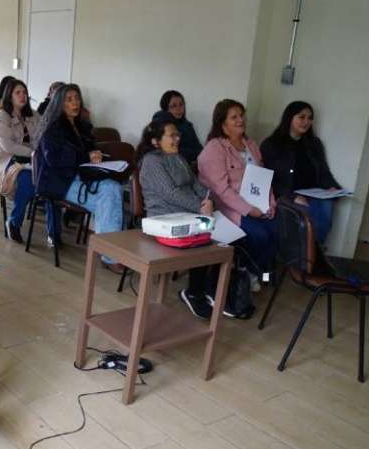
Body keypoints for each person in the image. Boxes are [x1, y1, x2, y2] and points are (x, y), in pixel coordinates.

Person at [137, 120, 228, 318]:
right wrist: (200, 207)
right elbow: (171, 193)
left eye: (177, 135)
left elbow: (196, 185)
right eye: (172, 135)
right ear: (156, 141)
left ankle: (211, 289)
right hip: (165, 218)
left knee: (228, 237)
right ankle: (194, 292)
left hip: (190, 214)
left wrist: (208, 199)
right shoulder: (152, 161)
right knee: (207, 238)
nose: (177, 138)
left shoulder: (178, 157)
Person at [34, 83, 123, 269]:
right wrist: (85, 156)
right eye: (69, 100)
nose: (75, 103)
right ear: (59, 103)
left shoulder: (83, 126)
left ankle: (109, 252)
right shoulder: (52, 128)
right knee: (108, 196)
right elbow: (54, 159)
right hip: (58, 180)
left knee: (113, 188)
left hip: (81, 176)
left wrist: (96, 155)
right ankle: (110, 256)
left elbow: (88, 151)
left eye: (77, 99)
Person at [198, 99, 277, 279]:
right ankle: (248, 274)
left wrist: (270, 203)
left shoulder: (251, 145)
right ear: (222, 123)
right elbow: (222, 191)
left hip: (258, 205)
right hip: (229, 208)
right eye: (234, 117)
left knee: (278, 230)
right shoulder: (214, 148)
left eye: (242, 116)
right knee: (261, 235)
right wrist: (250, 210)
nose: (241, 120)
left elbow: (264, 178)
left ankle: (257, 275)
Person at [261, 101, 340, 244]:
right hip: (286, 194)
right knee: (305, 216)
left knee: (326, 207)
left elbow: (323, 171)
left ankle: (314, 250)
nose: (306, 122)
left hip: (314, 193)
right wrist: (292, 196)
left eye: (310, 118)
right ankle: (306, 253)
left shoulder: (314, 144)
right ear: (290, 118)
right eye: (301, 117)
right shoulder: (272, 144)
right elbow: (267, 179)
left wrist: (332, 188)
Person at [0, 79, 41, 242]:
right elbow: (8, 146)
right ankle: (14, 222)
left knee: (49, 176)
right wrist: (33, 153)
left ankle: (54, 232)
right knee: (27, 179)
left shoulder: (34, 115)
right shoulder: (2, 116)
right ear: (9, 96)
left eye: (24, 93)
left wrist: (39, 152)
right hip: (5, 160)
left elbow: (42, 136)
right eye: (18, 93)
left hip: (30, 159)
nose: (23, 96)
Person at [152, 90, 203, 165]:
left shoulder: (188, 125)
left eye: (181, 104)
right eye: (174, 106)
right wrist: (189, 153)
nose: (179, 108)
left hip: (188, 166)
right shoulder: (160, 125)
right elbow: (168, 151)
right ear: (166, 109)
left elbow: (200, 151)